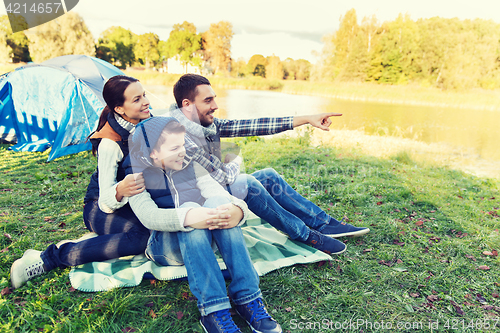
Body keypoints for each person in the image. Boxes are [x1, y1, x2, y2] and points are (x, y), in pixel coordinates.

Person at [167, 74, 370, 255]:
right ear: (187, 104)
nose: (216, 106)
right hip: (200, 208)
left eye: (214, 98)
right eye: (208, 100)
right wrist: (237, 160)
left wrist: (307, 119)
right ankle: (305, 235)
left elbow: (254, 125)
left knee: (268, 175)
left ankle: (324, 224)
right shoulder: (180, 137)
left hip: (216, 190)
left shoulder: (207, 125)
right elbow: (223, 177)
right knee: (248, 183)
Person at [124, 116, 282, 333]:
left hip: (201, 241)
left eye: (183, 145)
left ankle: (248, 298)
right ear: (154, 152)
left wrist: (238, 211)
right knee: (190, 206)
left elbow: (217, 193)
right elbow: (149, 216)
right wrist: (190, 215)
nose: (183, 151)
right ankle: (213, 311)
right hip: (166, 248)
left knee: (220, 202)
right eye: (175, 147)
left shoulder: (191, 164)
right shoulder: (136, 176)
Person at [10, 75, 151, 289]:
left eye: (144, 95)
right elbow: (105, 201)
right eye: (137, 99)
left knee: (154, 230)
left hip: (133, 203)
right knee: (139, 238)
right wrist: (120, 190)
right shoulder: (109, 144)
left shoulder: (148, 125)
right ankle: (49, 258)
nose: (146, 102)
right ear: (120, 109)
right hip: (99, 207)